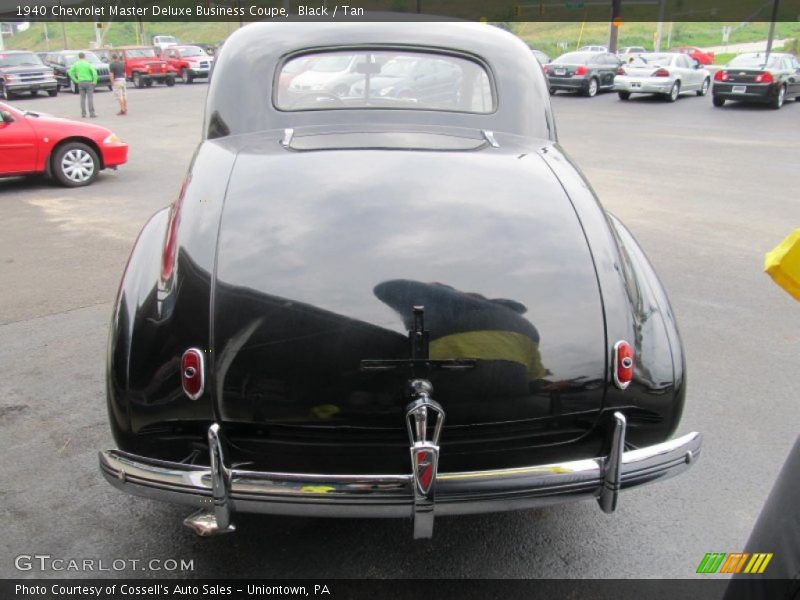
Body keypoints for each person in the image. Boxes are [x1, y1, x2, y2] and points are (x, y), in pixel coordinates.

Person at [68, 52, 98, 118]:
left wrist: (75, 80)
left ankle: (83, 113)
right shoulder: (88, 64)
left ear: (79, 57)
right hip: (88, 82)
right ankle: (92, 113)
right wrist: (94, 81)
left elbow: (70, 72)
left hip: (80, 82)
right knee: (90, 98)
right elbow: (94, 73)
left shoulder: (76, 64)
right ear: (84, 56)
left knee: (82, 98)